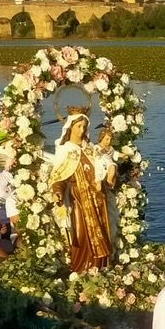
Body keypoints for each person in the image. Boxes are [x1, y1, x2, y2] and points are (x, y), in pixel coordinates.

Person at [48, 108, 113, 271]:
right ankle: (79, 267)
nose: (82, 130)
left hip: (97, 197)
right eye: (78, 126)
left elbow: (103, 165)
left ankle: (99, 267)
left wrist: (110, 172)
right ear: (70, 127)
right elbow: (58, 176)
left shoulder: (91, 148)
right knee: (80, 234)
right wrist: (57, 191)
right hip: (78, 197)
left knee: (101, 233)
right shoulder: (65, 150)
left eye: (84, 127)